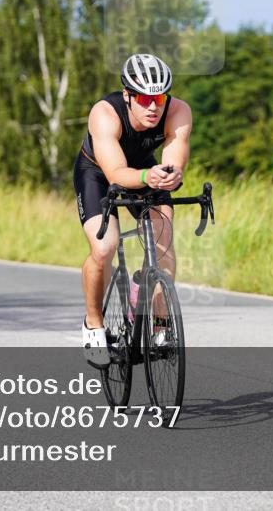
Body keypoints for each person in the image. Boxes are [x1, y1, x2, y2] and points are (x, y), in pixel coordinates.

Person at [72, 54, 192, 367]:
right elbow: (115, 174)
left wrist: (171, 173)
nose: (153, 106)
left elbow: (174, 157)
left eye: (159, 98)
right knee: (104, 246)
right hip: (98, 173)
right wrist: (145, 177)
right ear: (127, 96)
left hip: (143, 169)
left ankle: (161, 327)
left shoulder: (178, 111)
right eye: (143, 98)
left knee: (163, 235)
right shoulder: (105, 113)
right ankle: (94, 325)